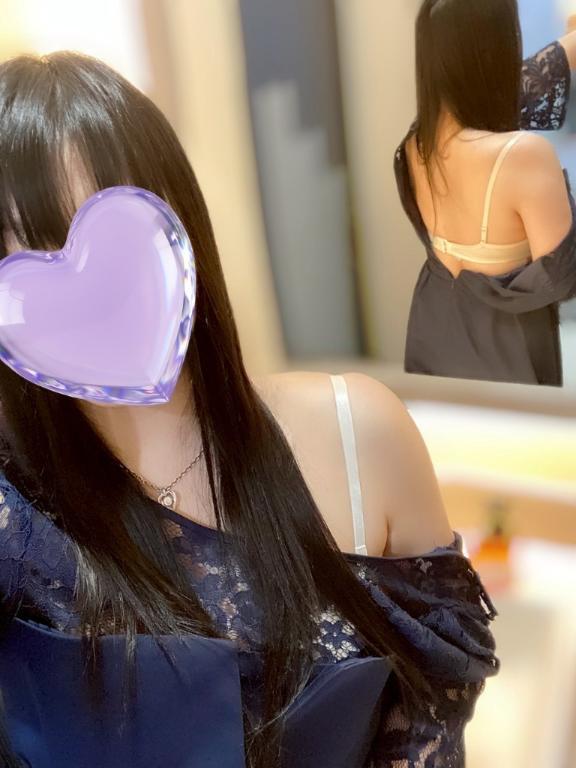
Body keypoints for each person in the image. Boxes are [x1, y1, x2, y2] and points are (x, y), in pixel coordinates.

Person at [0, 51, 497, 768]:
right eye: (19, 267)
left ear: (181, 223)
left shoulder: (359, 434)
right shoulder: (18, 505)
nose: (78, 299)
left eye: (108, 241)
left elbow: (433, 708)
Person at [396, 0, 576, 386]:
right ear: (499, 49)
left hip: (435, 334)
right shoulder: (523, 155)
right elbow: (561, 276)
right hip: (504, 353)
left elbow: (516, 86)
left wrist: (569, 45)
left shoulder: (417, 143)